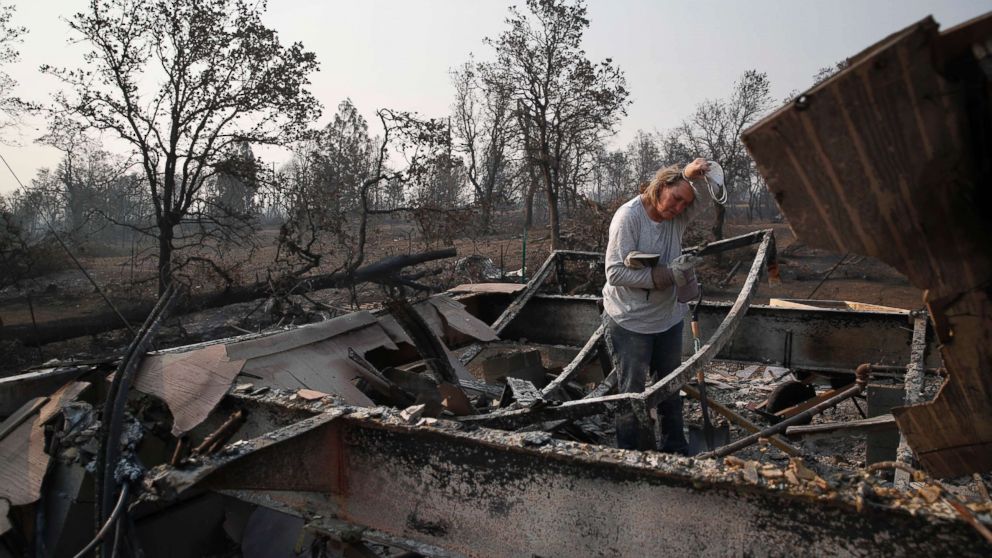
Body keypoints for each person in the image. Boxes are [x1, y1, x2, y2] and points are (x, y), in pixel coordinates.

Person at [602, 158, 710, 452]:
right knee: (632, 394)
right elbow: (614, 273)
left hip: (668, 318)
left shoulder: (678, 217)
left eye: (684, 205)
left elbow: (711, 194)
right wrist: (664, 275)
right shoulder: (629, 217)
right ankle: (631, 455)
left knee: (670, 388)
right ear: (660, 187)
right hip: (630, 321)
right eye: (675, 199)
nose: (678, 209)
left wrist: (690, 174)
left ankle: (674, 450)